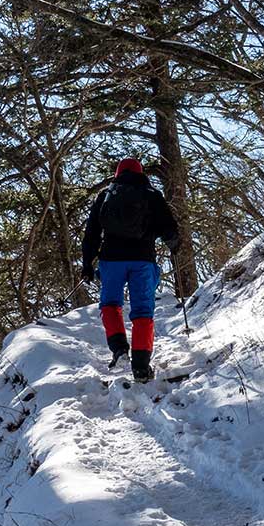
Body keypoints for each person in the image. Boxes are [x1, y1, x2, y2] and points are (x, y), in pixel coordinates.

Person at [81, 158, 180, 380]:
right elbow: (169, 226)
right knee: (143, 310)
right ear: (141, 172)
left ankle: (118, 349)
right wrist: (174, 244)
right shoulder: (152, 195)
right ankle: (141, 366)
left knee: (110, 304)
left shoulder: (106, 195)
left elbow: (92, 233)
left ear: (117, 173)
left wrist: (87, 263)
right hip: (142, 260)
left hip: (111, 260)